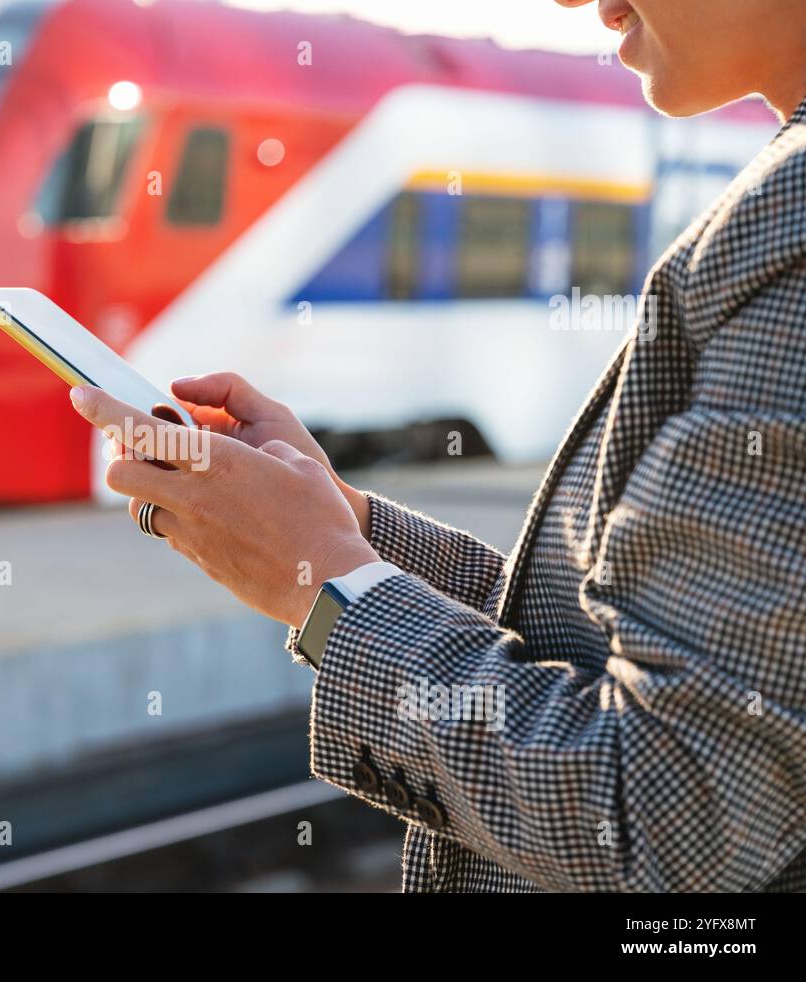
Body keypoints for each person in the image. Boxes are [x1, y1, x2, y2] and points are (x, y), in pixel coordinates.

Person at [68, 0, 806, 892]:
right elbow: (619, 655)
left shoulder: (787, 228)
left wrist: (328, 590)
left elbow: (661, 817)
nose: (573, 2)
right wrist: (346, 533)